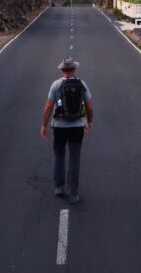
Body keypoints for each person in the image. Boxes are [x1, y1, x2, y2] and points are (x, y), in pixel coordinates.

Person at [40, 57, 93, 204]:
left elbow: (48, 106)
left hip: (59, 127)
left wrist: (44, 124)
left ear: (62, 70)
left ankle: (59, 187)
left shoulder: (56, 85)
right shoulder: (82, 84)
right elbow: (89, 106)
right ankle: (73, 193)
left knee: (59, 156)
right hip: (77, 127)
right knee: (75, 159)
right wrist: (89, 121)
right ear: (74, 69)